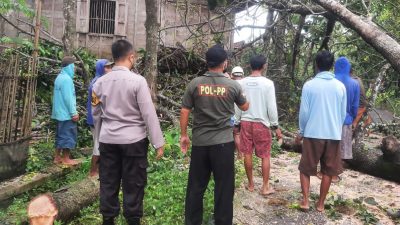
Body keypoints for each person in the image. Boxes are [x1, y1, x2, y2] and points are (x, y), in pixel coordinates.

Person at [92, 40, 164, 225]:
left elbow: (96, 115)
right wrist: (158, 143)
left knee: (108, 181)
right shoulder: (138, 82)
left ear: (114, 58)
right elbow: (148, 113)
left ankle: (108, 219)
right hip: (134, 141)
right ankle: (132, 220)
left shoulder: (99, 83)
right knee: (134, 183)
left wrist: (98, 144)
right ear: (131, 57)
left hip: (108, 140)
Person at [180, 44, 249, 225]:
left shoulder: (195, 84)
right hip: (224, 144)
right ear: (224, 63)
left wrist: (183, 135)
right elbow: (245, 106)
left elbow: (185, 110)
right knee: (224, 188)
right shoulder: (232, 85)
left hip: (200, 144)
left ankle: (192, 222)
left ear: (207, 62)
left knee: (196, 187)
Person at [296, 51, 347, 212]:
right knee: (328, 170)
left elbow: (304, 112)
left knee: (305, 169)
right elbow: (342, 113)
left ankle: (305, 201)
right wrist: (336, 129)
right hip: (333, 134)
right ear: (331, 66)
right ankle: (320, 204)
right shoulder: (340, 87)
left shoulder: (309, 85)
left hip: (312, 133)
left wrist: (301, 131)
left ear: (316, 64)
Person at [238, 55, 282, 195]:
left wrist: (237, 121)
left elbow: (238, 105)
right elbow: (271, 107)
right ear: (264, 66)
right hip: (262, 123)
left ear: (250, 66)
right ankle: (264, 187)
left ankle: (251, 185)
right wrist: (275, 126)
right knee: (265, 156)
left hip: (245, 122)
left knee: (247, 153)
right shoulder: (268, 83)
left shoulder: (241, 83)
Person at [87, 59, 113, 177]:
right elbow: (96, 105)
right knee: (98, 146)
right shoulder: (96, 83)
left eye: (110, 67)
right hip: (96, 120)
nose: (109, 69)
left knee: (102, 145)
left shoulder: (101, 81)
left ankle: (100, 170)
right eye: (106, 67)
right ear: (101, 68)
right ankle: (93, 171)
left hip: (100, 119)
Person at [51, 56, 79, 166]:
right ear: (69, 66)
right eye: (73, 66)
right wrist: (74, 113)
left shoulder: (59, 77)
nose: (74, 69)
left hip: (59, 113)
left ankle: (57, 157)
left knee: (60, 135)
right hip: (66, 114)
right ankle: (66, 159)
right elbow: (68, 98)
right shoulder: (67, 80)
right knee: (68, 135)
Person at [334, 57, 360, 171]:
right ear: (348, 67)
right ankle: (337, 170)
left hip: (331, 120)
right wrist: (353, 118)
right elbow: (355, 106)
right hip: (346, 119)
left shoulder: (331, 81)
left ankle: (327, 170)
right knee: (343, 148)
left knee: (331, 147)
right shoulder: (355, 84)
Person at [231, 66, 245, 159]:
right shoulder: (245, 85)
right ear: (242, 75)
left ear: (232, 75)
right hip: (244, 115)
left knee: (235, 134)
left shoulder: (230, 84)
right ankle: (240, 154)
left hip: (232, 114)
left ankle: (240, 154)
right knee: (238, 134)